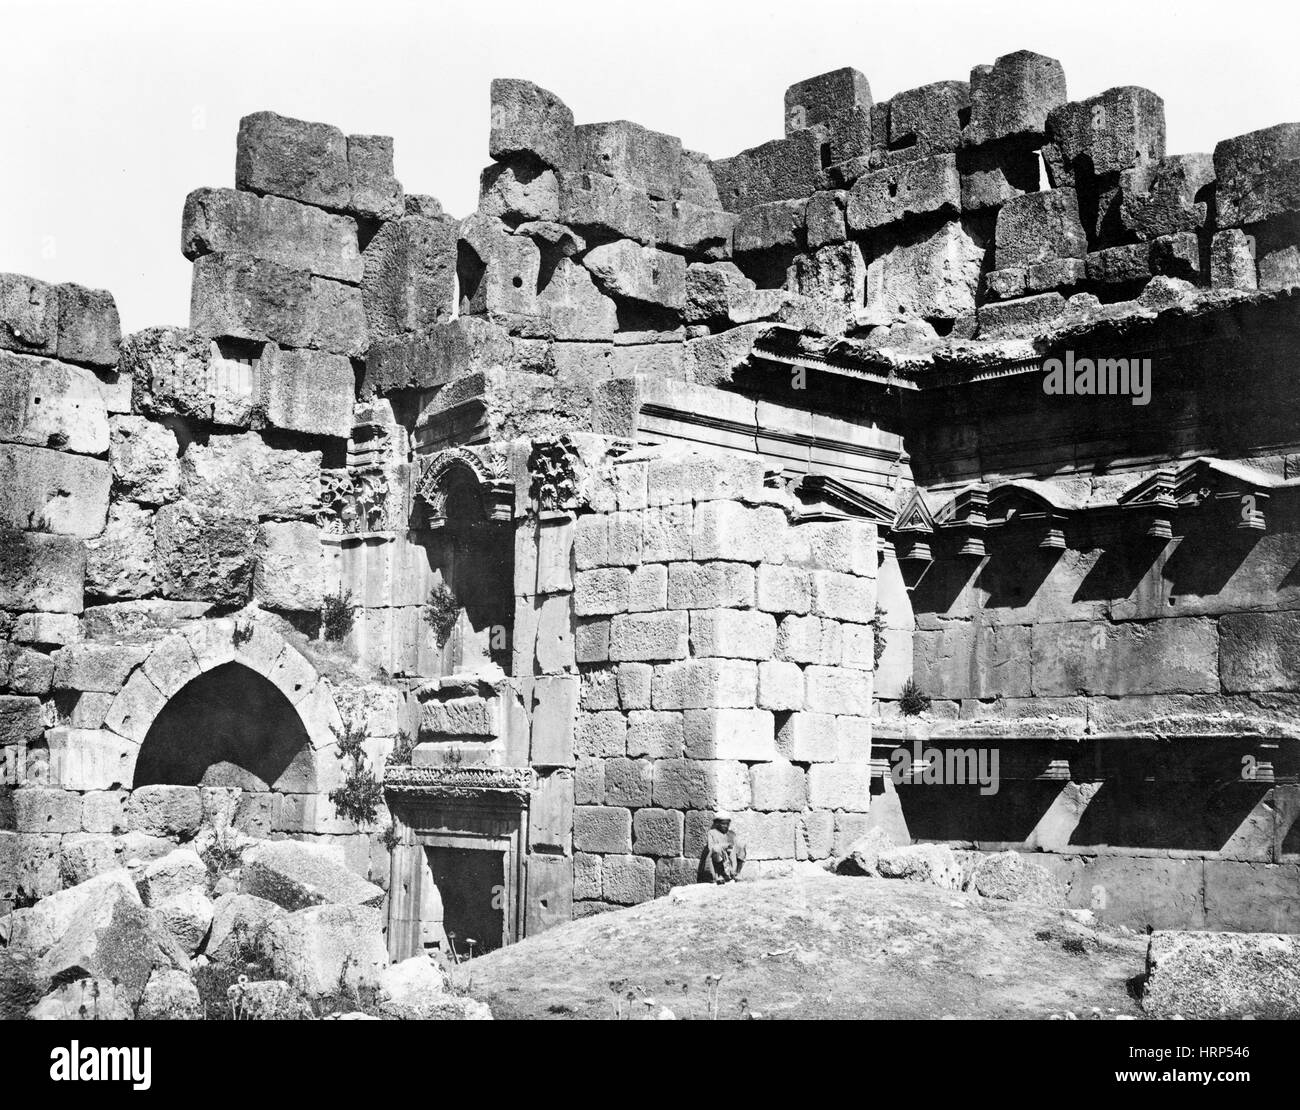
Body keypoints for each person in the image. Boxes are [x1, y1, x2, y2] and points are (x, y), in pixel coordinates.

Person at [698, 810, 746, 884]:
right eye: (723, 824)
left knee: (741, 845)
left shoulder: (731, 834)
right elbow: (711, 847)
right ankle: (720, 875)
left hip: (731, 858)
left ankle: (737, 873)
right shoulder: (712, 833)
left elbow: (736, 846)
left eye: (727, 824)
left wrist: (733, 848)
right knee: (716, 849)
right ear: (717, 823)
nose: (726, 826)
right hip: (719, 859)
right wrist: (725, 846)